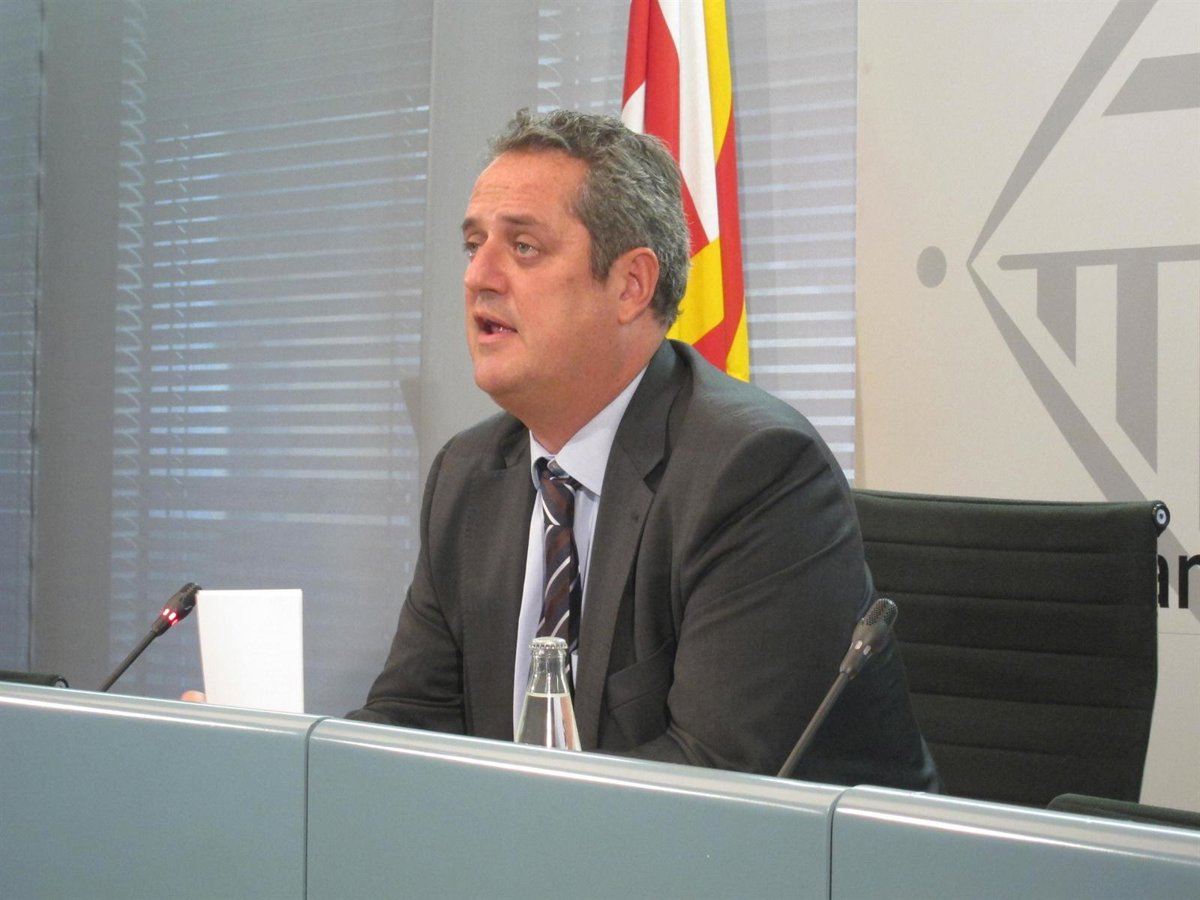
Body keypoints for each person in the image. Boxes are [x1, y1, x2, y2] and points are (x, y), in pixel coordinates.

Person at [347, 108, 939, 790]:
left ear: (631, 285)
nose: (478, 275)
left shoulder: (755, 473)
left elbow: (713, 781)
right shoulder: (468, 474)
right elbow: (408, 723)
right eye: (474, 244)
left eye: (524, 247)